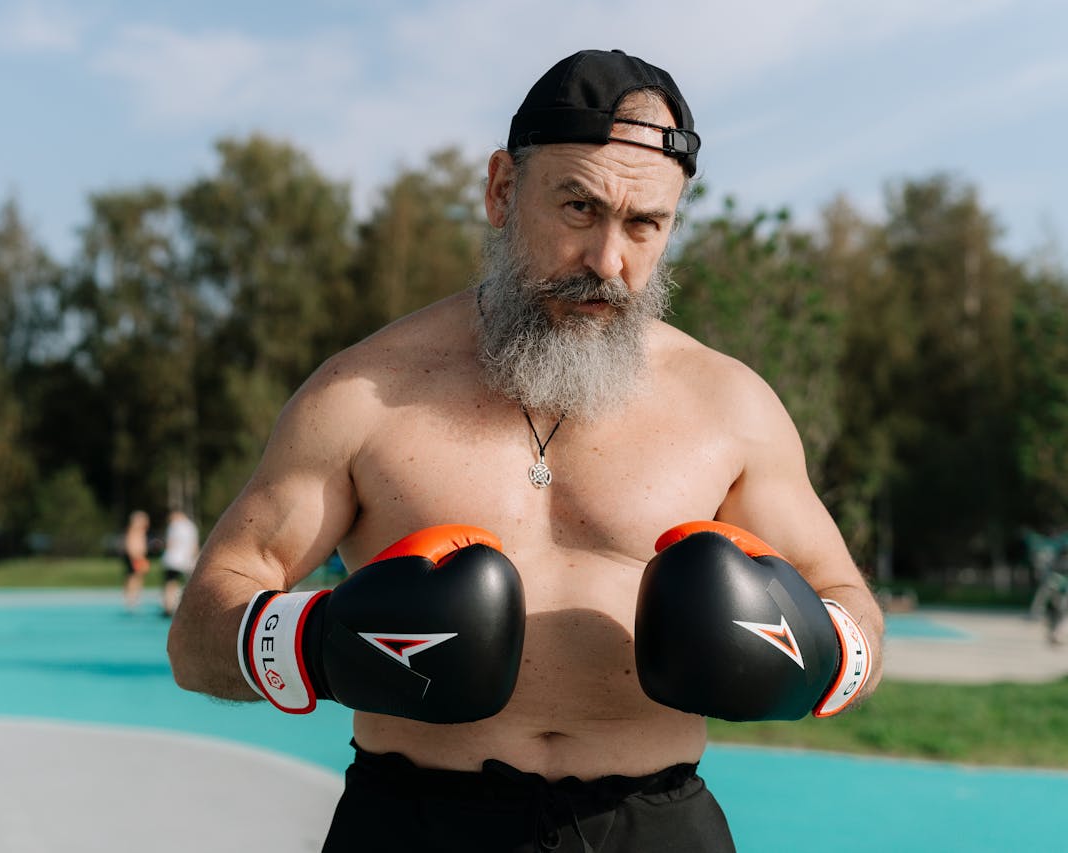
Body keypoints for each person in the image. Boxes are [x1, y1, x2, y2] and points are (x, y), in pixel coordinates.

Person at [168, 48, 885, 851]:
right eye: (578, 208)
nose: (608, 262)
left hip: (657, 826)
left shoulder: (729, 406)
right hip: (416, 823)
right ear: (503, 189)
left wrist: (826, 654)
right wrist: (314, 646)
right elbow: (197, 634)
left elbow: (851, 605)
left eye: (645, 225)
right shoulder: (361, 394)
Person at [159, 508, 200, 618]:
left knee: (170, 583)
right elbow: (195, 546)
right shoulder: (191, 526)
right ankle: (189, 607)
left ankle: (168, 607)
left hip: (172, 559)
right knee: (188, 585)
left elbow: (170, 543)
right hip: (186, 560)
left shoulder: (174, 525)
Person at [121, 510, 150, 612]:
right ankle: (130, 598)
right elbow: (130, 545)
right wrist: (134, 557)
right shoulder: (133, 530)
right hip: (134, 557)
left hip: (140, 557)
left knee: (139, 577)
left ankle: (136, 597)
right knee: (132, 578)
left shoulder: (141, 531)